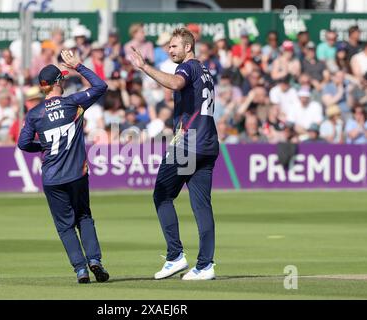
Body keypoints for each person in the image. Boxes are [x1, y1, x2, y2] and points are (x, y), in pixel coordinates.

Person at [130, 27, 219, 281]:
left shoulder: (187, 68)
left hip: (190, 143)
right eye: (169, 46)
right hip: (209, 143)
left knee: (161, 195)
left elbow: (176, 82)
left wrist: (145, 67)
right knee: (202, 205)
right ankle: (205, 265)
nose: (170, 50)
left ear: (188, 47)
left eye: (174, 46)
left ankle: (175, 256)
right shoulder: (204, 70)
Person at [18, 50, 109, 284]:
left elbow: (22, 143)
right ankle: (95, 261)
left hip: (52, 177)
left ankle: (80, 269)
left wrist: (43, 147)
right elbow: (100, 86)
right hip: (77, 174)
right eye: (63, 78)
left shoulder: (35, 113)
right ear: (58, 82)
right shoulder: (73, 102)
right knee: (84, 218)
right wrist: (79, 65)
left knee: (65, 226)